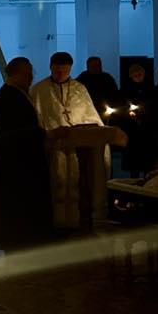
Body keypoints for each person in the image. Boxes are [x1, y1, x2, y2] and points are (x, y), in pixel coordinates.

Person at [30, 52, 105, 231]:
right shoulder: (39, 90)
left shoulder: (79, 89)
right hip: (53, 147)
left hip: (77, 149)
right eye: (57, 71)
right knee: (56, 181)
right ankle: (53, 222)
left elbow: (91, 116)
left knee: (76, 182)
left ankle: (76, 220)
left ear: (70, 69)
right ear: (51, 67)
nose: (61, 74)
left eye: (64, 71)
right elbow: (35, 120)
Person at [0, 57, 52, 250]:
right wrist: (45, 133)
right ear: (15, 73)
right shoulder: (8, 96)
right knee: (16, 198)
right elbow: (15, 129)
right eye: (27, 74)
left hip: (23, 155)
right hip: (16, 158)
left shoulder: (18, 93)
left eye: (32, 73)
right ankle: (18, 235)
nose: (31, 78)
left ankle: (26, 233)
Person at [115, 62, 155, 176]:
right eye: (135, 75)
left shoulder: (150, 87)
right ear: (131, 76)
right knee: (133, 156)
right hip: (131, 128)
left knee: (147, 155)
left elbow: (154, 103)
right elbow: (121, 105)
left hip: (147, 127)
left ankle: (148, 176)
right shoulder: (126, 89)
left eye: (140, 74)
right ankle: (133, 178)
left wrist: (144, 110)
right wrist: (129, 112)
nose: (138, 77)